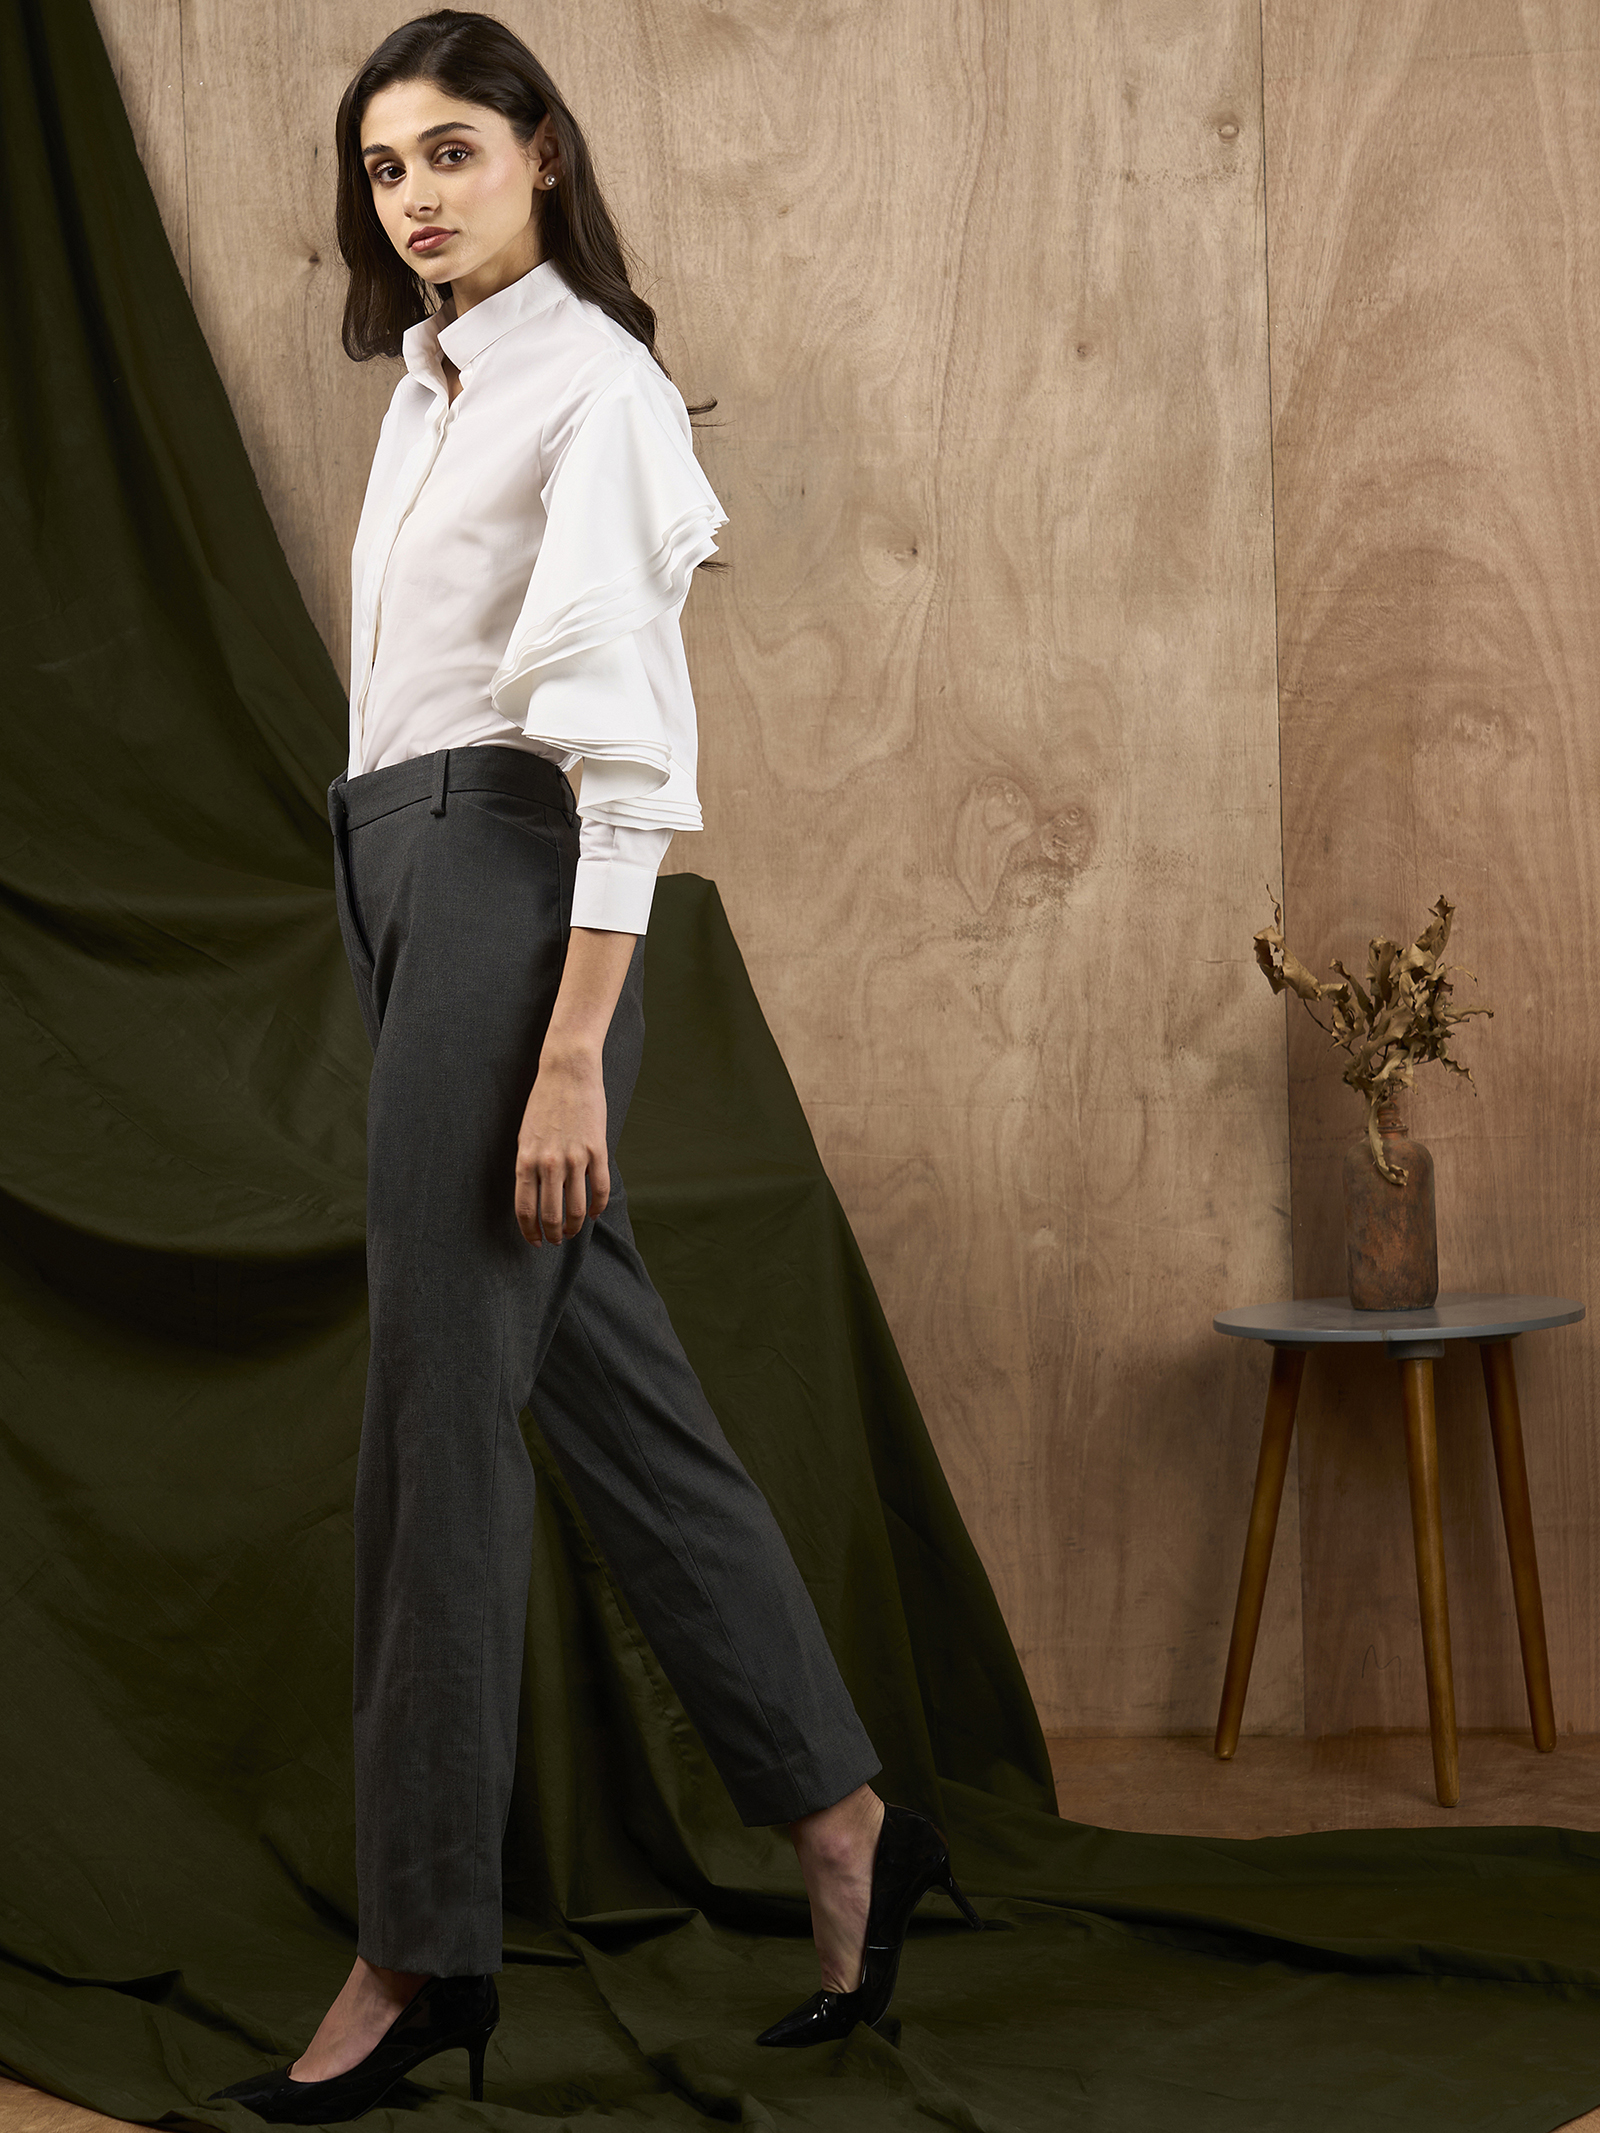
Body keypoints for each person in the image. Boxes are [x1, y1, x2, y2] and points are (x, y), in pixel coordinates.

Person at [210, 11, 979, 2121]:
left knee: (433, 1421)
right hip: (402, 875)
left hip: (507, 892)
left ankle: (417, 1945)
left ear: (544, 153)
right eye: (385, 167)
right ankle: (844, 1815)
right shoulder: (431, 384)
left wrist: (567, 1051)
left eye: (454, 150)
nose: (416, 195)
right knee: (609, 1390)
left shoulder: (597, 389)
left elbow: (622, 762)